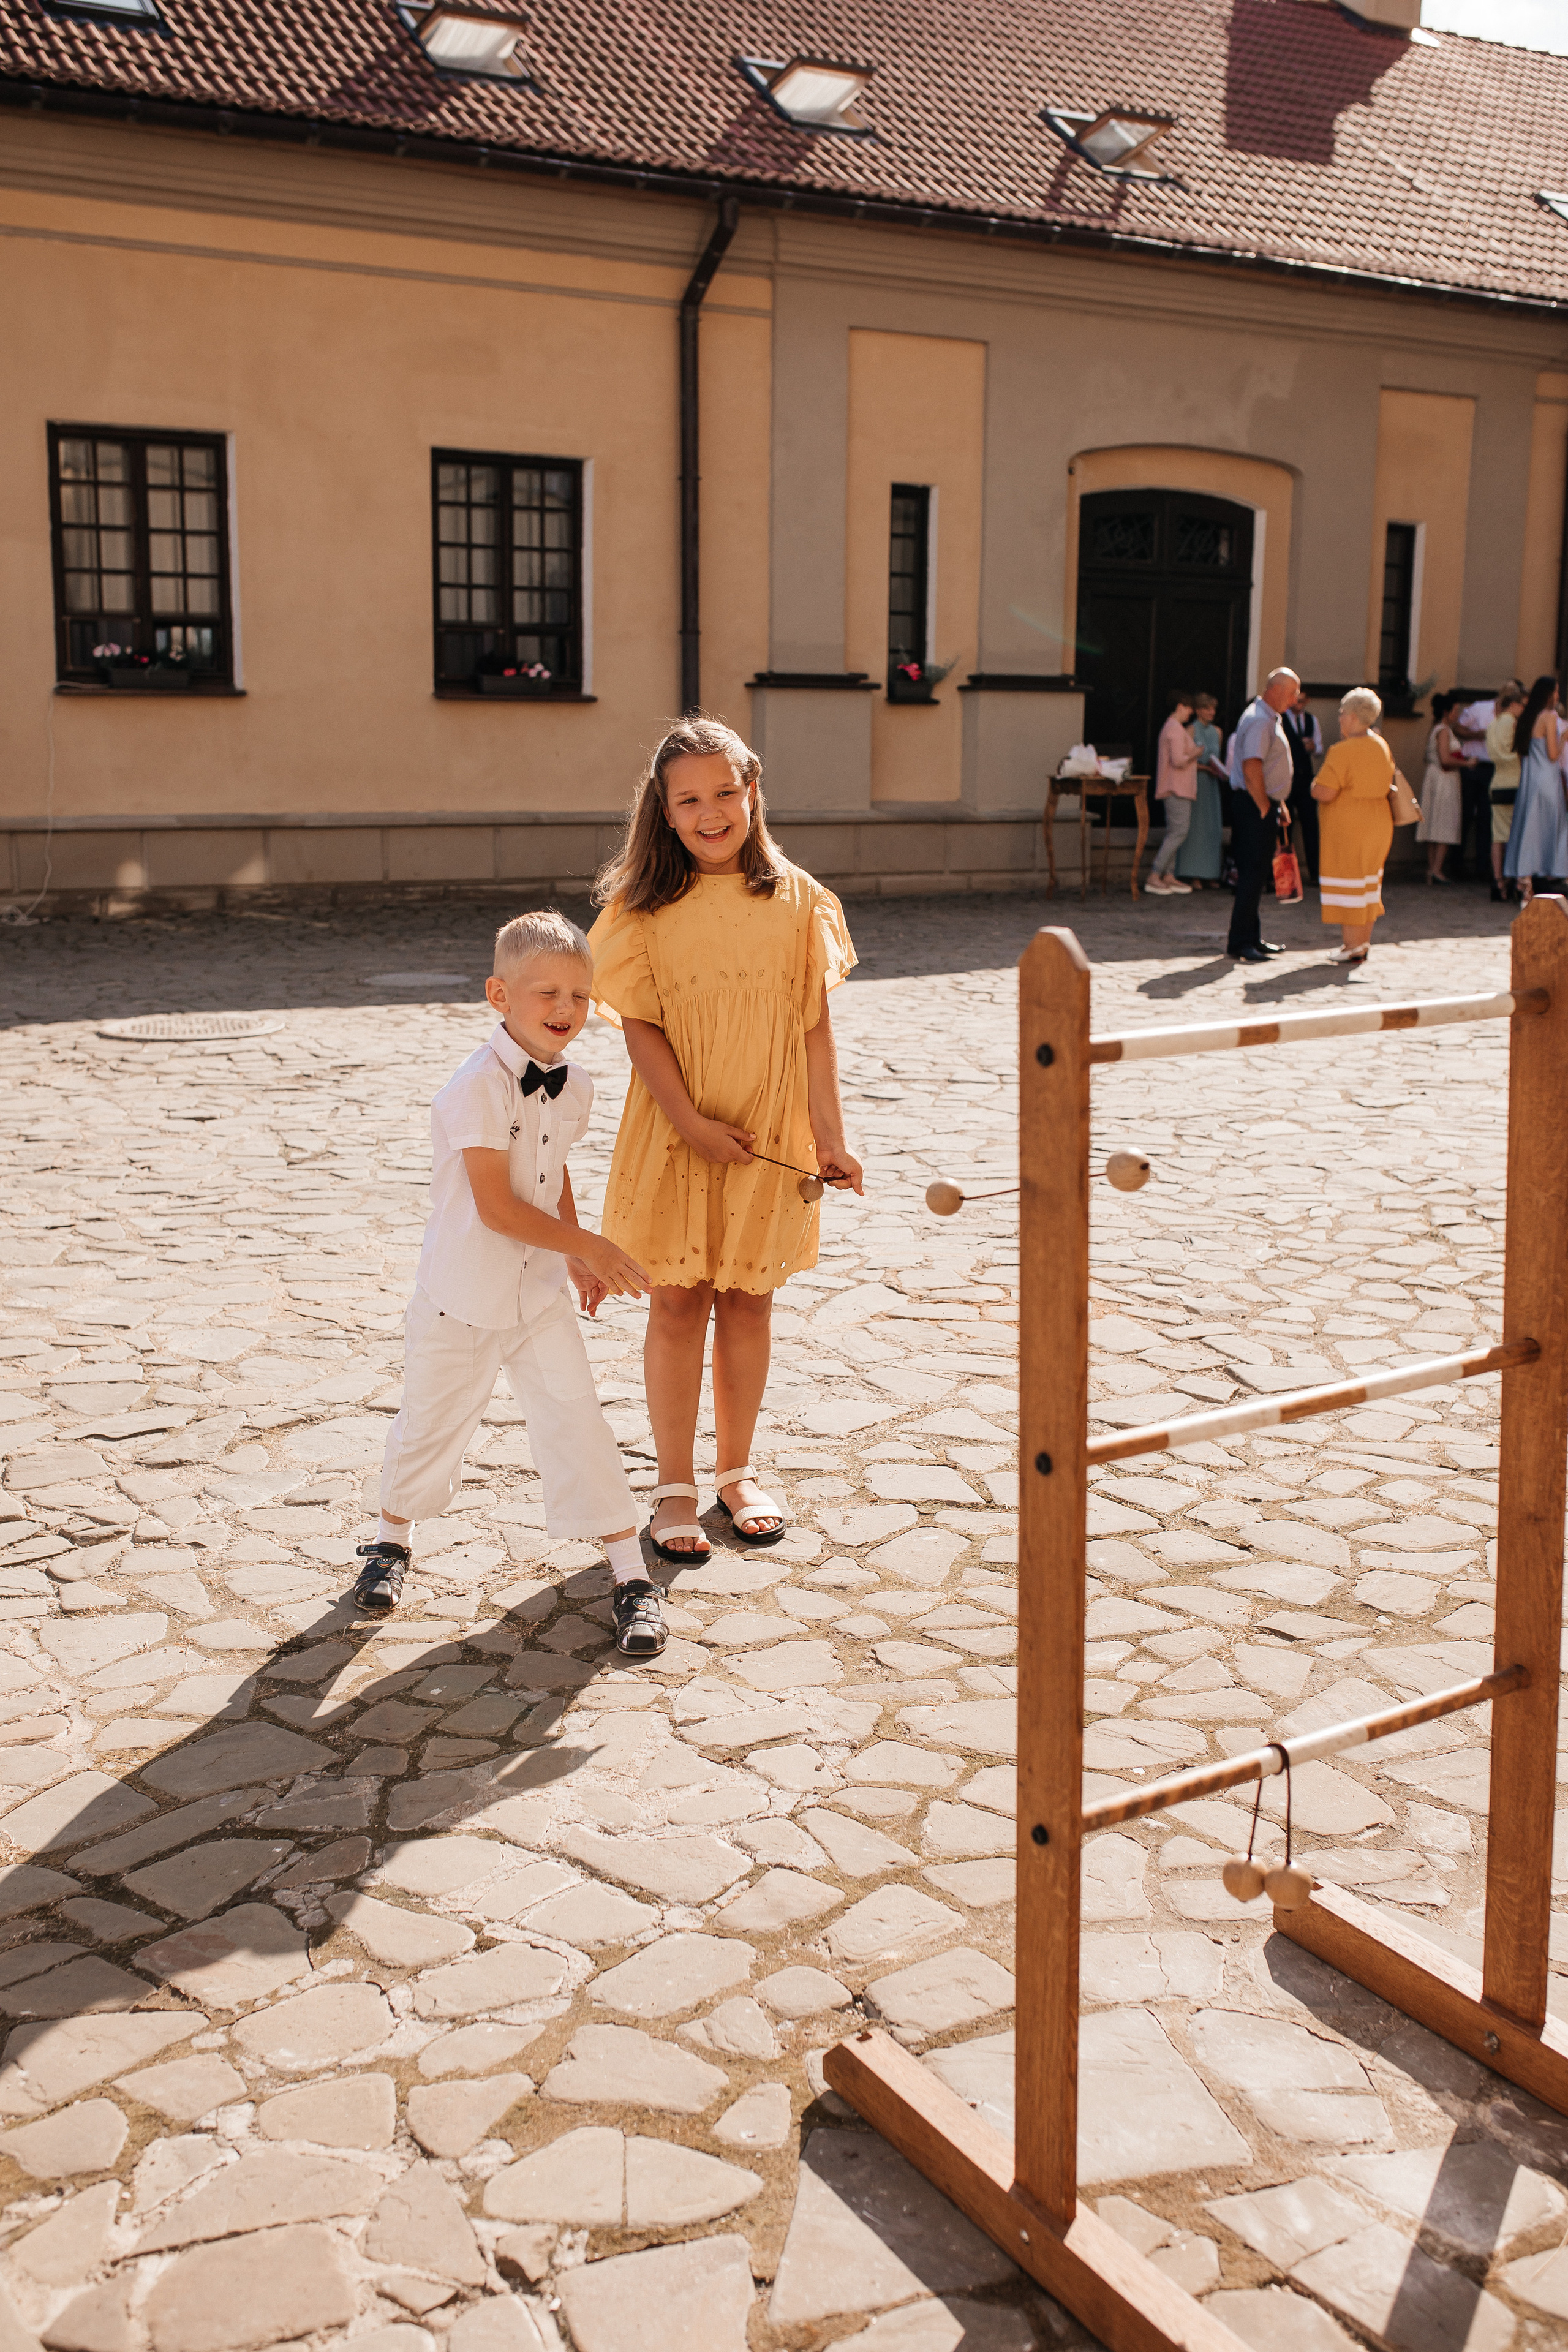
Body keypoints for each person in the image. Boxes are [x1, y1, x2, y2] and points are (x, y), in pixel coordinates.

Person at [587, 715, 863, 1564]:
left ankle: (736, 1471)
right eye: (689, 800)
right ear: (664, 814)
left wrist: (830, 1136)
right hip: (678, 1131)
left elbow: (814, 1029)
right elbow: (641, 1032)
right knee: (677, 1301)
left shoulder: (800, 902)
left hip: (770, 1130)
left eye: (724, 793)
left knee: (749, 1299)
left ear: (753, 792)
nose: (710, 813)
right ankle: (673, 1484)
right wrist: (693, 1124)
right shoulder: (642, 909)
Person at [355, 911, 665, 1656]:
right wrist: (592, 1243)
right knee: (433, 1421)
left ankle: (629, 1574)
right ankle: (390, 1541)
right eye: (545, 994)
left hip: (536, 1296)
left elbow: (549, 1174)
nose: (565, 1011)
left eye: (580, 997)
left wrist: (575, 1258)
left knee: (577, 1418)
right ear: (499, 994)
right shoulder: (475, 1089)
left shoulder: (577, 1083)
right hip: (460, 1295)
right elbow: (496, 1208)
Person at [1313, 687, 1395, 966]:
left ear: (1351, 717)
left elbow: (1324, 791)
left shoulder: (1342, 751)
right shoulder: (1381, 745)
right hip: (1379, 822)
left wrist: (1313, 786)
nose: (1339, 719)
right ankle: (1361, 943)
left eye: (1341, 714)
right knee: (1368, 885)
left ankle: (1351, 946)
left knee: (1349, 883)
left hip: (1350, 826)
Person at [1226, 667, 1299, 962]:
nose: (1295, 699)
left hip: (1260, 803)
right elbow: (1252, 767)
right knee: (1252, 873)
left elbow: (1265, 767)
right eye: (1293, 692)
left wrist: (1277, 803)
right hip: (1254, 805)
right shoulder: (1259, 720)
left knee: (1256, 875)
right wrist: (1265, 806)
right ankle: (1241, 942)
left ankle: (1251, 938)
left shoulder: (1267, 717)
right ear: (1277, 690)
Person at [1503, 674, 1566, 904]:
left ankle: (1525, 883)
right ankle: (1541, 877)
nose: (1558, 696)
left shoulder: (1527, 717)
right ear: (1549, 694)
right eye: (1556, 691)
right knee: (1544, 830)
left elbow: (1523, 754)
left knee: (1527, 829)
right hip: (1547, 781)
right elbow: (1552, 755)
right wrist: (1565, 738)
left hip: (1530, 781)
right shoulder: (1549, 717)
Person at [1455, 680, 1520, 880]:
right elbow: (1457, 728)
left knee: (1487, 819)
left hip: (1496, 769)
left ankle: (1483, 868)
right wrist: (1480, 735)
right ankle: (1457, 866)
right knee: (1465, 816)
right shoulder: (1480, 708)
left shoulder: (1514, 718)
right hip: (1474, 767)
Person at [1147, 688, 1199, 895]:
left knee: (1175, 832)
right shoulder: (1175, 729)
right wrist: (1195, 753)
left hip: (1176, 788)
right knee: (1179, 832)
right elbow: (1178, 761)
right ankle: (1155, 874)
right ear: (1180, 707)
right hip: (1177, 788)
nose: (1191, 713)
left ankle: (1168, 875)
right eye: (1189, 708)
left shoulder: (1172, 727)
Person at [1417, 691, 1472, 883]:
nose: (1458, 714)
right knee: (1443, 822)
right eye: (1456, 711)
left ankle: (1433, 869)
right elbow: (1445, 759)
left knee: (1435, 823)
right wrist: (1467, 763)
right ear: (1447, 712)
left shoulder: (1439, 729)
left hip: (1437, 778)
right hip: (1443, 780)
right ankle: (1436, 869)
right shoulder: (1443, 731)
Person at [1177, 692, 1225, 885]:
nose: (1212, 712)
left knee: (1212, 828)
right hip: (1197, 782)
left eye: (1214, 708)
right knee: (1196, 828)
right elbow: (1184, 761)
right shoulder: (1191, 730)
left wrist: (1219, 770)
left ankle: (1210, 874)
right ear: (1197, 710)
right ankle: (1193, 874)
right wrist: (1206, 768)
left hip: (1212, 785)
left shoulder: (1218, 732)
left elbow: (1218, 759)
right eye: (1207, 708)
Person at [1486, 685, 1525, 902]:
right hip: (1516, 779)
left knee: (1498, 835)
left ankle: (1498, 880)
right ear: (1516, 705)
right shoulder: (1514, 723)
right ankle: (1517, 880)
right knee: (1517, 833)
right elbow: (1519, 751)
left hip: (1498, 780)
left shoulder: (1493, 724)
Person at [1284, 687, 1322, 885]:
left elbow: (1319, 748)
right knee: (1285, 828)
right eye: (1295, 701)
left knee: (1311, 825)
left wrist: (1313, 747)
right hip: (1287, 779)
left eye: (1302, 701)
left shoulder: (1311, 720)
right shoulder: (1281, 718)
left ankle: (1315, 874)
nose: (1297, 705)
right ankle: (1286, 877)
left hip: (1306, 778)